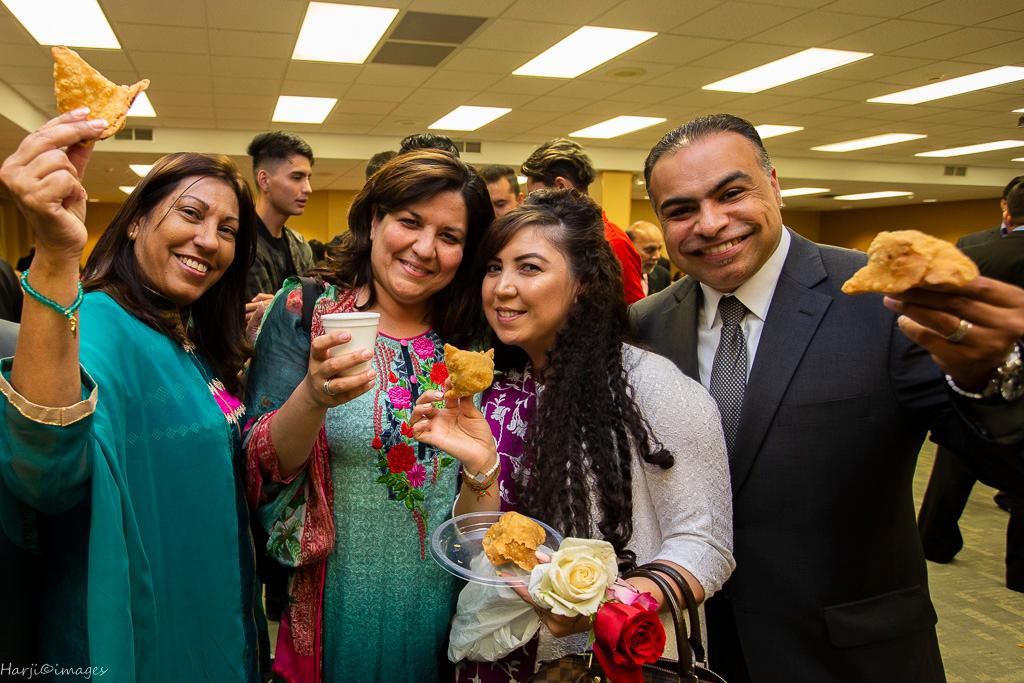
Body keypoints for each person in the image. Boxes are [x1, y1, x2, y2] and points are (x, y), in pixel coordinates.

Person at [630, 113, 1024, 682]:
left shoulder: (882, 302)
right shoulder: (645, 325)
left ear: (775, 186)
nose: (710, 223)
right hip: (697, 650)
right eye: (681, 209)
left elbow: (1001, 462)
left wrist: (989, 378)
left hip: (848, 654)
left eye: (732, 193)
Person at [411, 189, 735, 681]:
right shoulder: (498, 388)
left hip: (600, 662)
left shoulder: (649, 386)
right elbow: (483, 547)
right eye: (494, 268)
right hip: (496, 656)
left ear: (583, 283)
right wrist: (482, 468)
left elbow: (705, 546)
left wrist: (602, 607)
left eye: (529, 268)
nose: (501, 287)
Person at [0, 110, 264, 680]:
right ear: (137, 222)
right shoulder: (96, 323)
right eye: (191, 215)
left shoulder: (186, 330)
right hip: (141, 629)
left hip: (214, 606)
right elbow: (43, 472)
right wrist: (54, 256)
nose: (208, 240)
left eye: (227, 230)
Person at [243, 149, 494, 682]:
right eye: (410, 222)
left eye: (449, 237)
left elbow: (479, 504)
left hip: (439, 599)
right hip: (333, 596)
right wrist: (312, 396)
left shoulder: (472, 339)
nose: (425, 248)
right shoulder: (306, 310)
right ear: (375, 220)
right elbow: (260, 465)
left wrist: (480, 465)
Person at [919, 179, 1024, 591]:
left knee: (953, 464)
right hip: (999, 381)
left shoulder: (971, 246)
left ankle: (934, 537)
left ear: (1005, 208)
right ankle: (1019, 569)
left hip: (956, 367)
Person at [520, 138, 644, 304]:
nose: (533, 205)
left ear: (560, 186)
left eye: (534, 194)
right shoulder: (562, 237)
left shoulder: (612, 242)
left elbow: (633, 313)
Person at [245, 131, 316, 323]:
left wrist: (280, 305)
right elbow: (249, 318)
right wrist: (296, 305)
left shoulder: (300, 246)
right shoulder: (238, 240)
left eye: (308, 177)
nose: (307, 188)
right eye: (297, 177)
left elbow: (317, 307)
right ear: (264, 180)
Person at [627, 220, 671, 295]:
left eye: (659, 249)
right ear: (629, 246)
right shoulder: (613, 276)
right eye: (649, 250)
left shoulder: (663, 276)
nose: (657, 256)